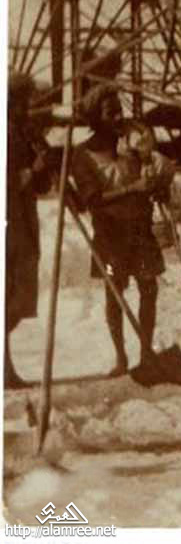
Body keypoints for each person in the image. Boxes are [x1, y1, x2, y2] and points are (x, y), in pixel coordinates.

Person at [70, 84, 169, 376]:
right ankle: (121, 358)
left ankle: (147, 354)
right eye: (110, 112)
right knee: (115, 293)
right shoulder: (82, 155)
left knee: (149, 289)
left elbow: (151, 176)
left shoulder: (131, 147)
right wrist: (134, 188)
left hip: (140, 230)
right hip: (110, 235)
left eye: (119, 111)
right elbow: (92, 200)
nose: (118, 117)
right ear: (95, 118)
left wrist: (157, 186)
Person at [5, 73, 53, 388]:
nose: (26, 108)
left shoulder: (26, 132)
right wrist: (29, 172)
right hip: (8, 222)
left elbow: (43, 184)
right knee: (8, 294)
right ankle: (5, 371)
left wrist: (42, 167)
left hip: (23, 221)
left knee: (20, 297)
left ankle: (5, 370)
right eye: (21, 102)